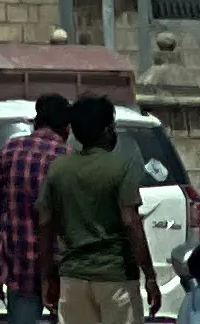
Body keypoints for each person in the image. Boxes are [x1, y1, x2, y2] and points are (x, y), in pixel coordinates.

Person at [38, 94, 155, 324]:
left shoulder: (58, 170)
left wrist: (46, 276)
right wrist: (149, 275)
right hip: (116, 277)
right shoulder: (120, 168)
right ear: (106, 130)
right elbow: (131, 222)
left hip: (73, 278)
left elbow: (45, 224)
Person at [0, 97, 74, 324]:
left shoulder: (9, 151)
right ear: (66, 128)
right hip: (63, 271)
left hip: (20, 269)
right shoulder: (69, 158)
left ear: (36, 122)